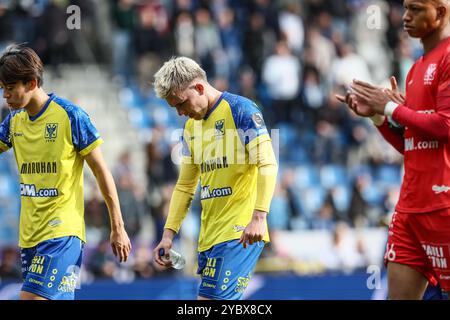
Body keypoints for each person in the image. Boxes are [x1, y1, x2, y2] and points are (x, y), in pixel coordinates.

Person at [336, 0, 450, 299]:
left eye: (415, 9)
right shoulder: (415, 68)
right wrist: (377, 116)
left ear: (440, 13)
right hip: (409, 209)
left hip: (443, 207)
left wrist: (387, 106)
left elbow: (445, 126)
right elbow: (413, 145)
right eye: (405, 8)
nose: (405, 17)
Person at [0, 44, 132, 300]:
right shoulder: (14, 122)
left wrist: (118, 226)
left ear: (31, 83)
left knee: (30, 298)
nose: (5, 96)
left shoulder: (70, 116)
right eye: (2, 89)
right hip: (30, 237)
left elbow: (101, 171)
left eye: (10, 89)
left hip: (62, 233)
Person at [152, 56, 278, 300]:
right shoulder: (190, 128)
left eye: (181, 103)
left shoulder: (241, 110)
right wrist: (168, 235)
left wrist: (259, 216)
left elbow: (268, 163)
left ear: (199, 87)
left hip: (239, 233)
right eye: (174, 108)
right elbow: (186, 186)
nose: (180, 112)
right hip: (209, 236)